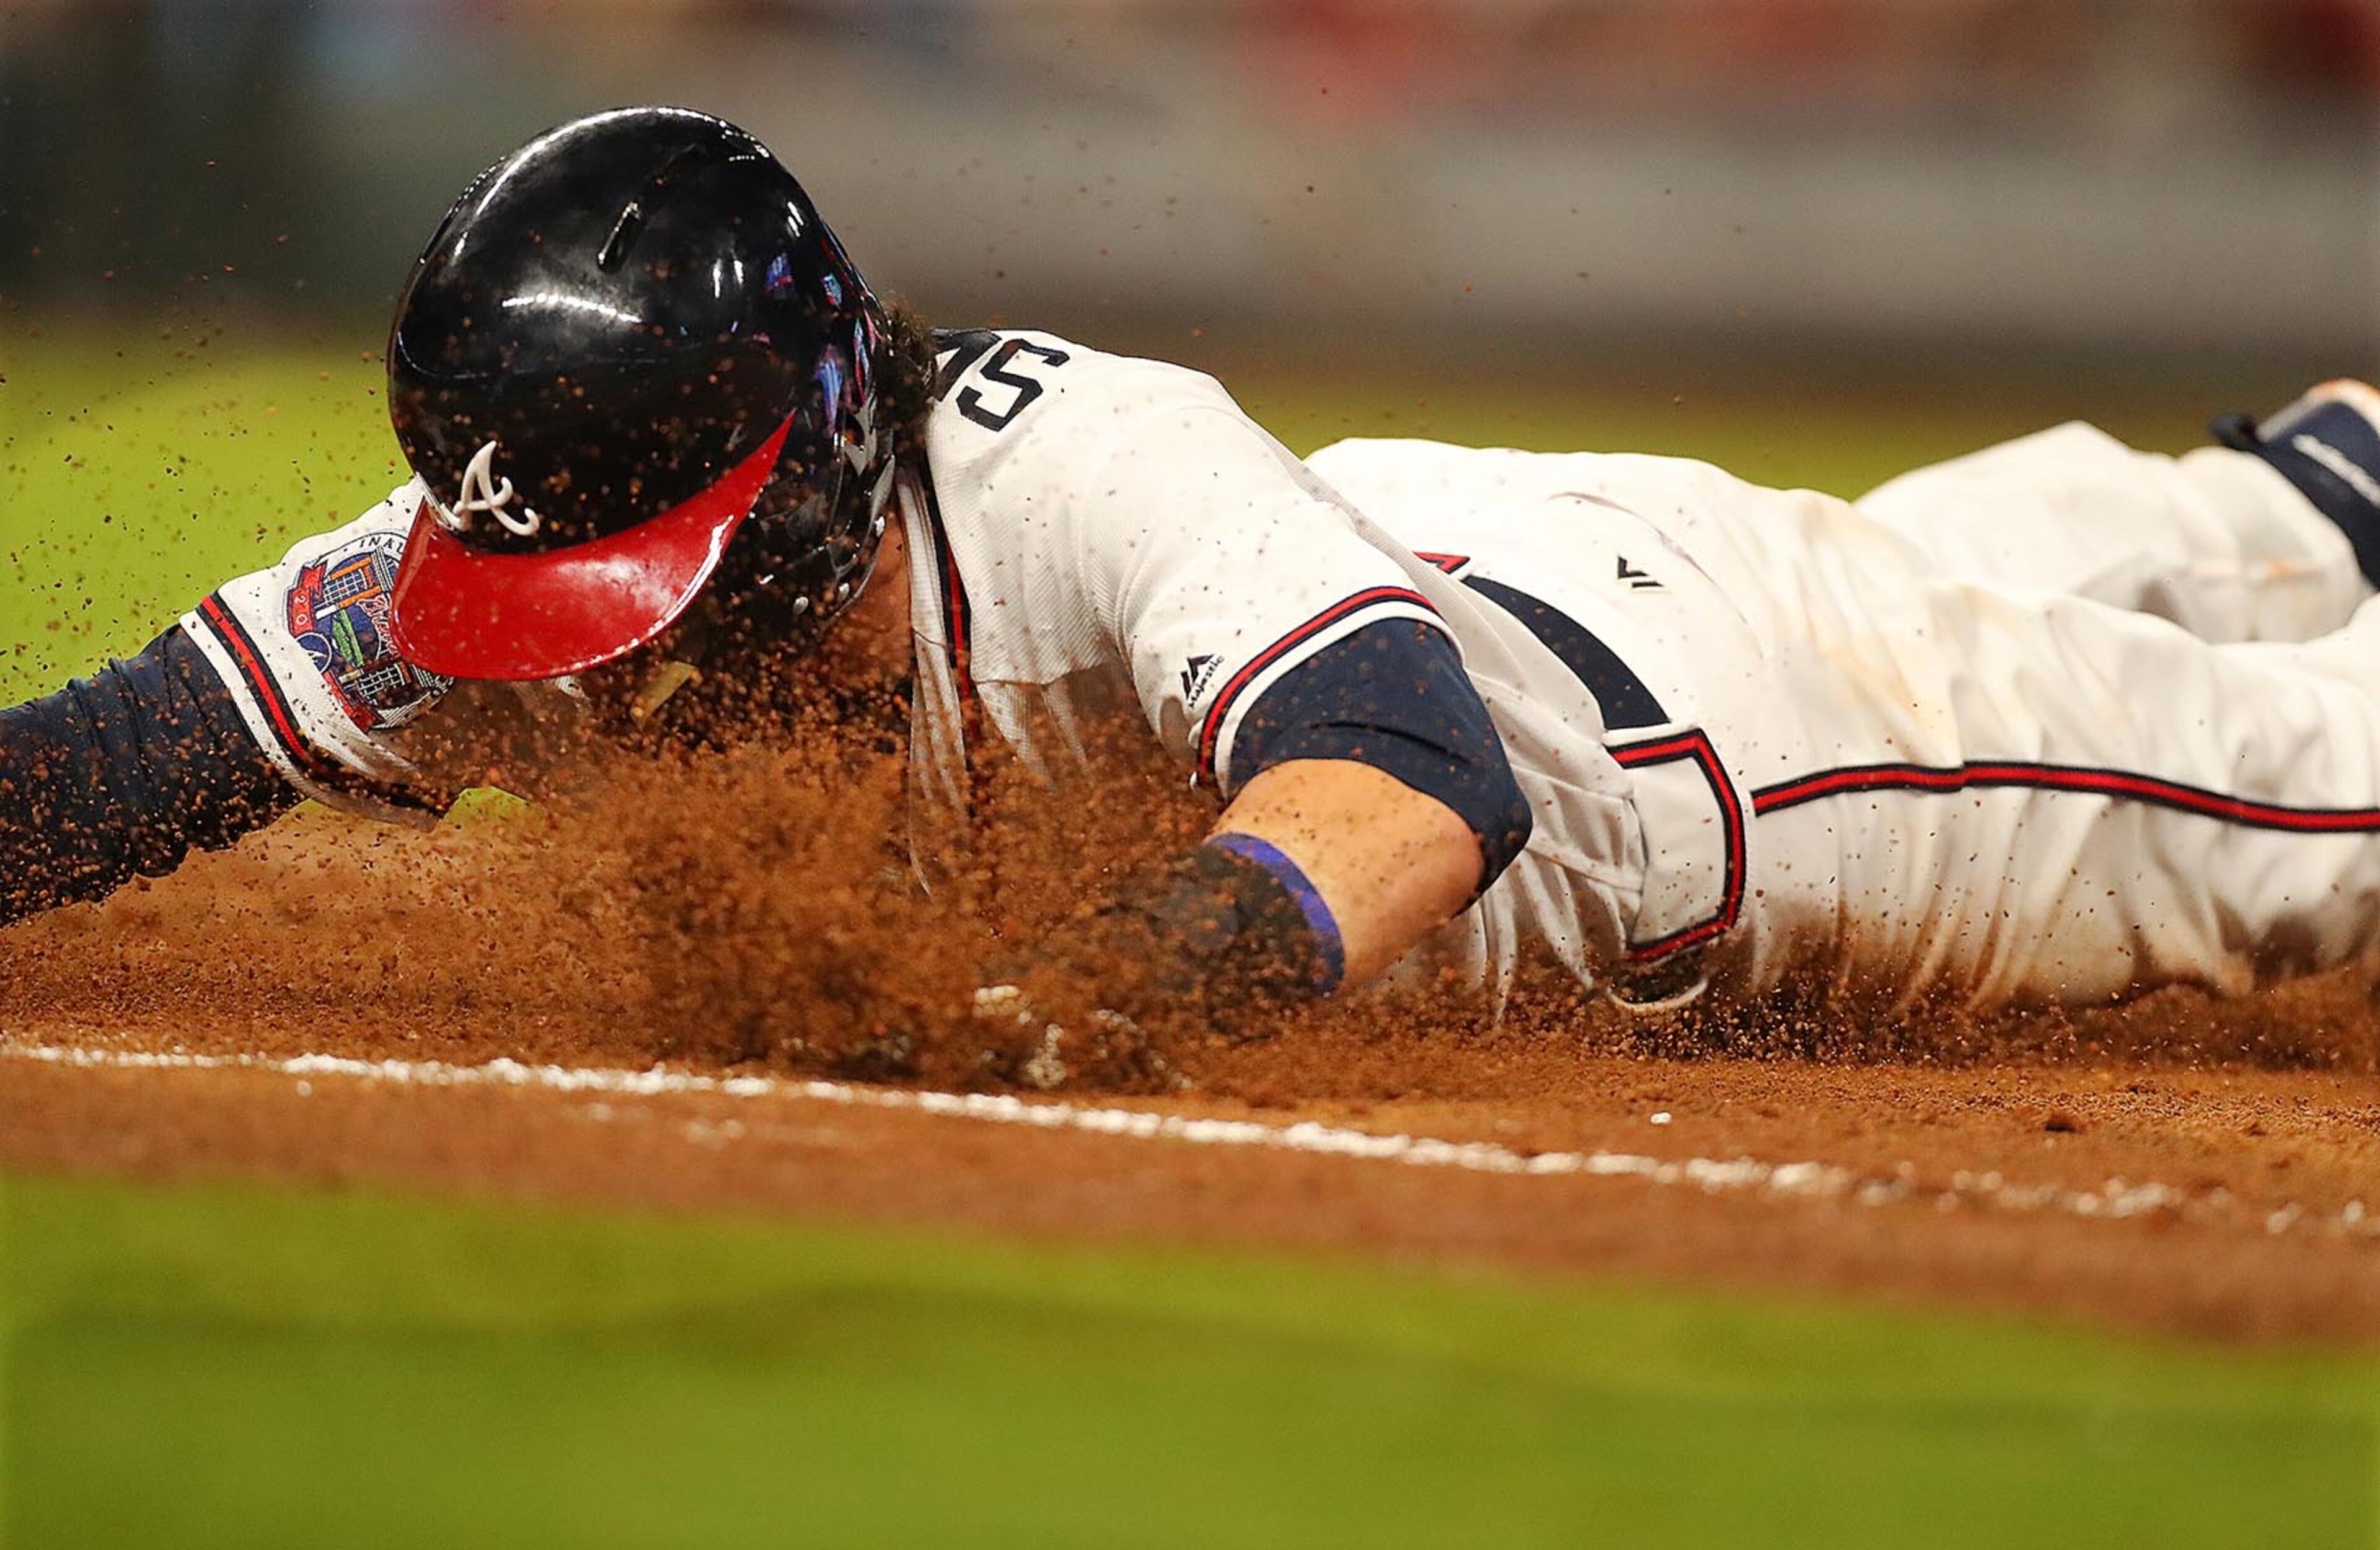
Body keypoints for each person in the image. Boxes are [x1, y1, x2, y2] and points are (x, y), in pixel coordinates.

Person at [8, 107, 2380, 1060]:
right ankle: (2319, 485)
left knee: (2317, 805)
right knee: (2129, 548)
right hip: (1427, 531)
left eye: (650, 586)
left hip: (1696, 740)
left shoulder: (1089, 464)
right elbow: (129, 756)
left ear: (814, 462)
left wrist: (1090, 991)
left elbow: (1421, 779)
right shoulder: (531, 526)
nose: (593, 670)